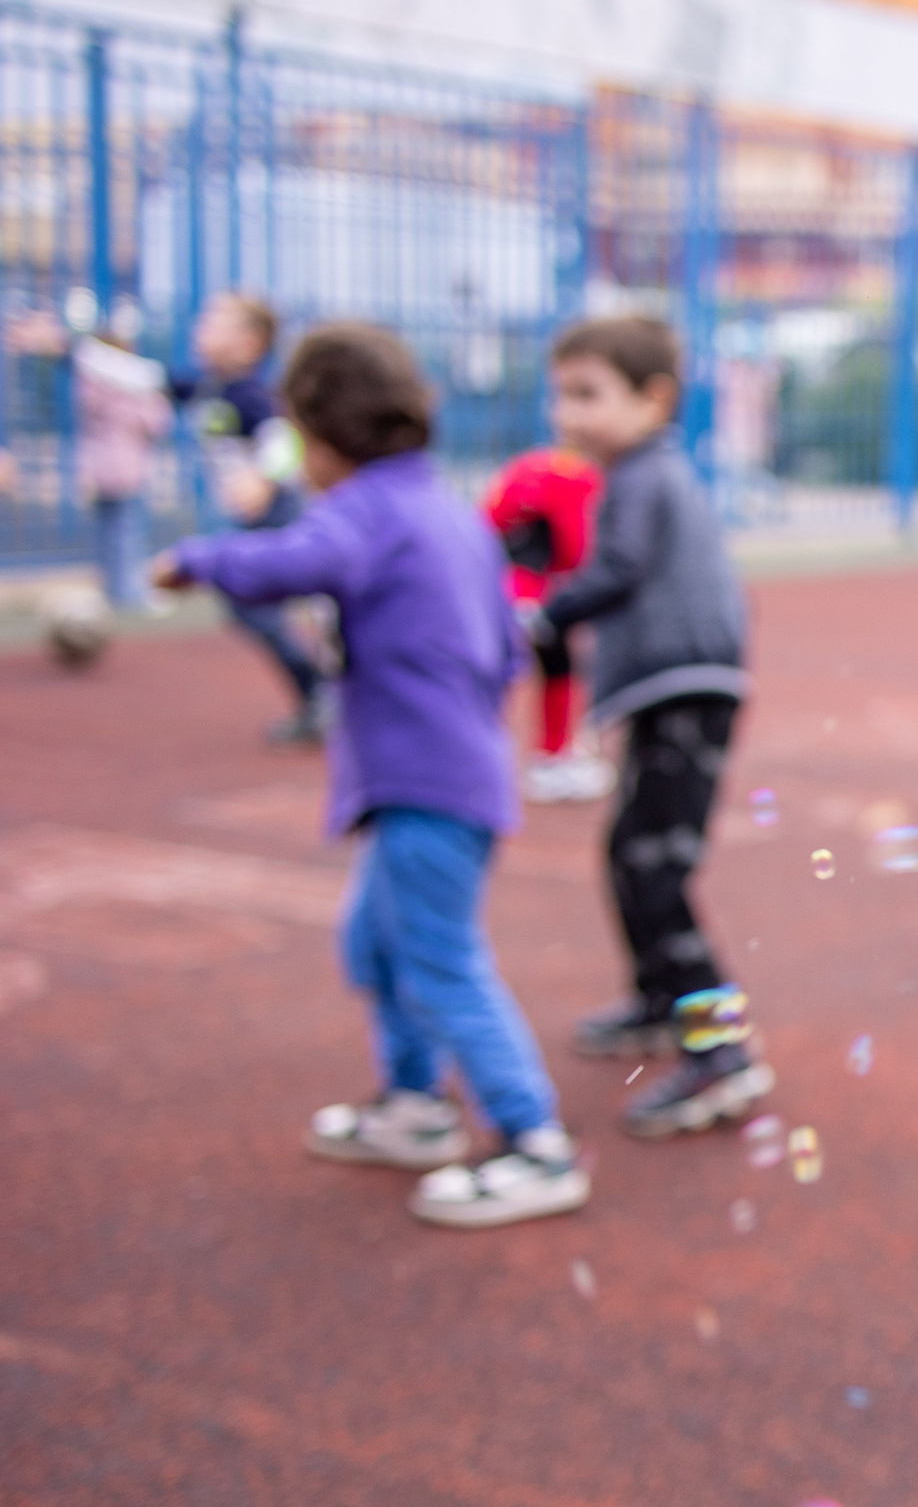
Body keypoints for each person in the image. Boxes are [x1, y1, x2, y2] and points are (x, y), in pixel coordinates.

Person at [152, 323, 588, 1229]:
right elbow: (507, 641)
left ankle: (534, 1139)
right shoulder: (443, 507)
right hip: (440, 771)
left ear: (322, 437)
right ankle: (416, 1104)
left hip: (426, 781)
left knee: (438, 956)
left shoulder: (368, 507)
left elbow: (290, 561)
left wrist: (195, 559)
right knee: (378, 945)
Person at [529, 316, 773, 1138]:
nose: (565, 413)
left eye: (586, 394)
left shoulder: (641, 473)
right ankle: (661, 1002)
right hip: (674, 689)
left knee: (655, 866)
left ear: (653, 399)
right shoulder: (644, 471)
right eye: (560, 394)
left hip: (685, 689)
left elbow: (619, 567)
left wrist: (543, 614)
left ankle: (722, 1051)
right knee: (630, 854)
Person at [173, 292, 333, 747]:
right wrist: (71, 348)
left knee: (284, 596)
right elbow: (139, 378)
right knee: (248, 602)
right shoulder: (207, 387)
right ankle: (320, 690)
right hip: (257, 517)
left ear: (250, 343)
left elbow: (283, 438)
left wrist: (262, 478)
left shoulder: (249, 394)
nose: (200, 327)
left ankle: (327, 690)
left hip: (282, 510)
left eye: (215, 321)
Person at [483, 446, 614, 802]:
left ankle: (474, 758)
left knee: (495, 676)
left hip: (497, 589)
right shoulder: (580, 477)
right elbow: (575, 546)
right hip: (539, 594)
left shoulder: (525, 465)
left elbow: (488, 517)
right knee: (559, 669)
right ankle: (553, 757)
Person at [70, 306, 172, 611]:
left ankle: (113, 587)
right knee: (126, 530)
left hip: (96, 466)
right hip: (127, 466)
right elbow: (155, 423)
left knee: (106, 530)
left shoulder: (90, 383)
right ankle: (129, 590)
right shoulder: (137, 386)